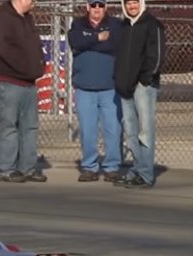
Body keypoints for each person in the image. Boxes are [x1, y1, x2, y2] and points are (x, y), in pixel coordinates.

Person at [0, 0, 47, 183]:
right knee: (9, 125)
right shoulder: (3, 18)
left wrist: (39, 66)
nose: (34, 2)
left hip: (29, 82)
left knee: (29, 126)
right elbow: (5, 50)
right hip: (9, 81)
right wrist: (25, 68)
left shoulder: (28, 19)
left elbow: (36, 47)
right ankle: (7, 168)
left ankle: (27, 167)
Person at [67, 0, 123, 182]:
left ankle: (112, 166)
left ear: (105, 7)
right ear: (87, 7)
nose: (96, 9)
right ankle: (90, 166)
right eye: (93, 5)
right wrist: (98, 38)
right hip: (84, 87)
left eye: (100, 6)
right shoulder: (78, 24)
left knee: (112, 128)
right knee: (88, 130)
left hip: (110, 87)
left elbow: (115, 45)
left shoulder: (115, 24)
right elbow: (75, 42)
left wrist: (87, 43)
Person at [112, 0, 165, 189]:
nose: (131, 6)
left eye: (134, 2)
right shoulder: (124, 26)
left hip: (144, 88)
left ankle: (145, 174)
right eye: (128, 3)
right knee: (131, 132)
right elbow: (119, 56)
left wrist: (145, 79)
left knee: (145, 131)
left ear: (141, 3)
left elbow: (156, 57)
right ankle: (136, 169)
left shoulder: (152, 25)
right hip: (125, 87)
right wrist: (118, 79)